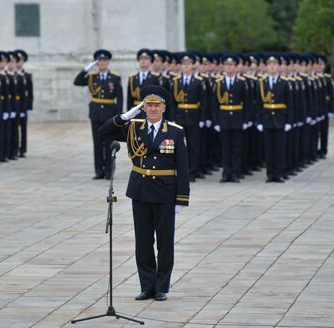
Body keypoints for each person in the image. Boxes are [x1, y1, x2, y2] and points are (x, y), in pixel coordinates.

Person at [99, 85, 189, 301]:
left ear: (164, 108)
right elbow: (104, 132)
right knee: (143, 242)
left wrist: (182, 198)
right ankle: (147, 286)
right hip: (140, 191)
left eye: (156, 105)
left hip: (166, 193)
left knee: (165, 243)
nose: (152, 109)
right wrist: (124, 116)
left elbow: (183, 167)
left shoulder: (175, 131)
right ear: (143, 107)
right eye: (148, 105)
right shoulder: (133, 127)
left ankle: (161, 287)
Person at [73, 49, 123, 180]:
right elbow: (77, 82)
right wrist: (86, 69)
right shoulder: (91, 77)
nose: (102, 63)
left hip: (109, 114)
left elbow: (120, 98)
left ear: (108, 62)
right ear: (97, 62)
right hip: (95, 113)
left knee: (109, 143)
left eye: (104, 60)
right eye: (99, 61)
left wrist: (118, 117)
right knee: (97, 143)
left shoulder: (115, 77)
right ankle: (99, 171)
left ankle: (109, 171)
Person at [256, 54, 293, 183]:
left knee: (279, 148)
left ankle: (279, 173)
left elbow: (290, 103)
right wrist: (259, 121)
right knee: (269, 148)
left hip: (280, 118)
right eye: (270, 64)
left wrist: (289, 121)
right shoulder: (262, 83)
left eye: (274, 64)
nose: (272, 67)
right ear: (266, 67)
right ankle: (270, 173)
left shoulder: (284, 83)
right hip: (266, 119)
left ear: (278, 66)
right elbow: (258, 104)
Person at [170, 52, 207, 182]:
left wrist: (202, 118)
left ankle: (193, 172)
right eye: (184, 64)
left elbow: (203, 102)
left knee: (193, 146)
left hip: (193, 116)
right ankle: (181, 171)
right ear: (181, 66)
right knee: (180, 146)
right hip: (180, 117)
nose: (186, 66)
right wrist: (172, 117)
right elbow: (172, 103)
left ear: (193, 66)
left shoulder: (198, 82)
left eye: (189, 64)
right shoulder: (175, 81)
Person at [213, 54, 247, 182]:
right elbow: (214, 103)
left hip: (237, 117)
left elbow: (246, 102)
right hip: (224, 118)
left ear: (235, 67)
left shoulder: (241, 82)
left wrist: (246, 120)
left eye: (231, 65)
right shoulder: (219, 83)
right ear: (224, 67)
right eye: (227, 65)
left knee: (237, 147)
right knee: (225, 147)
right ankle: (226, 172)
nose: (229, 67)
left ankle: (236, 172)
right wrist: (216, 121)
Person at [16, 49, 32, 158]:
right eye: (17, 60)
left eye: (21, 60)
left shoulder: (26, 75)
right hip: (13, 104)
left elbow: (30, 92)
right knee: (13, 128)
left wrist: (29, 107)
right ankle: (15, 147)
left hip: (23, 104)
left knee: (23, 127)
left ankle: (23, 149)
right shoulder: (10, 74)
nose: (19, 62)